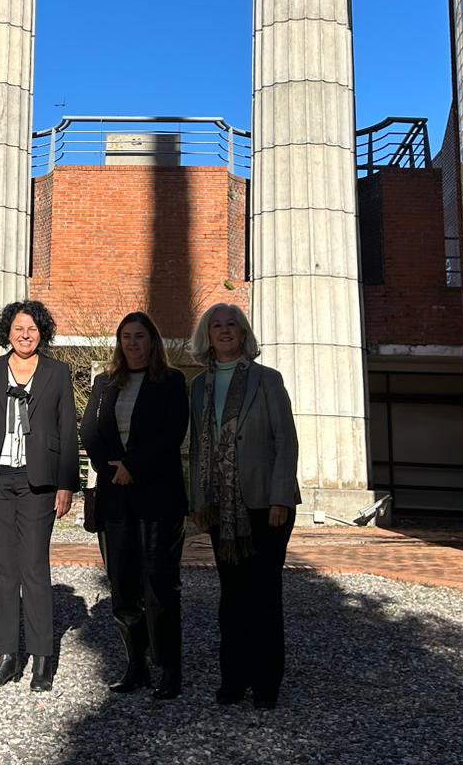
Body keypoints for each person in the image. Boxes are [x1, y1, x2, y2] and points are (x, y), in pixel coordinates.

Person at [186, 302, 300, 710]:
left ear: (243, 332)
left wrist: (279, 496)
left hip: (265, 504)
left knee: (264, 596)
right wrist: (197, 501)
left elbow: (285, 440)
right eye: (216, 325)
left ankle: (266, 684)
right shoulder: (198, 387)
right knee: (232, 597)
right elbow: (197, 447)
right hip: (221, 506)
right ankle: (234, 679)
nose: (224, 330)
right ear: (207, 335)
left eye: (231, 324)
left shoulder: (267, 380)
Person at [79, 310, 188, 700]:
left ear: (152, 340)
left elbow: (173, 433)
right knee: (122, 585)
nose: (132, 343)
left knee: (159, 583)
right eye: (126, 337)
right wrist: (111, 468)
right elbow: (89, 431)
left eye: (139, 336)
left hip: (158, 496)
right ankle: (136, 665)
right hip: (115, 497)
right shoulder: (105, 383)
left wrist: (134, 466)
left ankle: (169, 667)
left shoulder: (171, 381)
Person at [0, 300, 78, 692]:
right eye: (18, 328)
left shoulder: (57, 373)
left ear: (42, 332)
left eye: (32, 328)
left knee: (33, 567)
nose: (25, 335)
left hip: (39, 482)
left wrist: (66, 484)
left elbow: (67, 429)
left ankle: (42, 656)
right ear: (8, 332)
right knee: (2, 570)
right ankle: (7, 655)